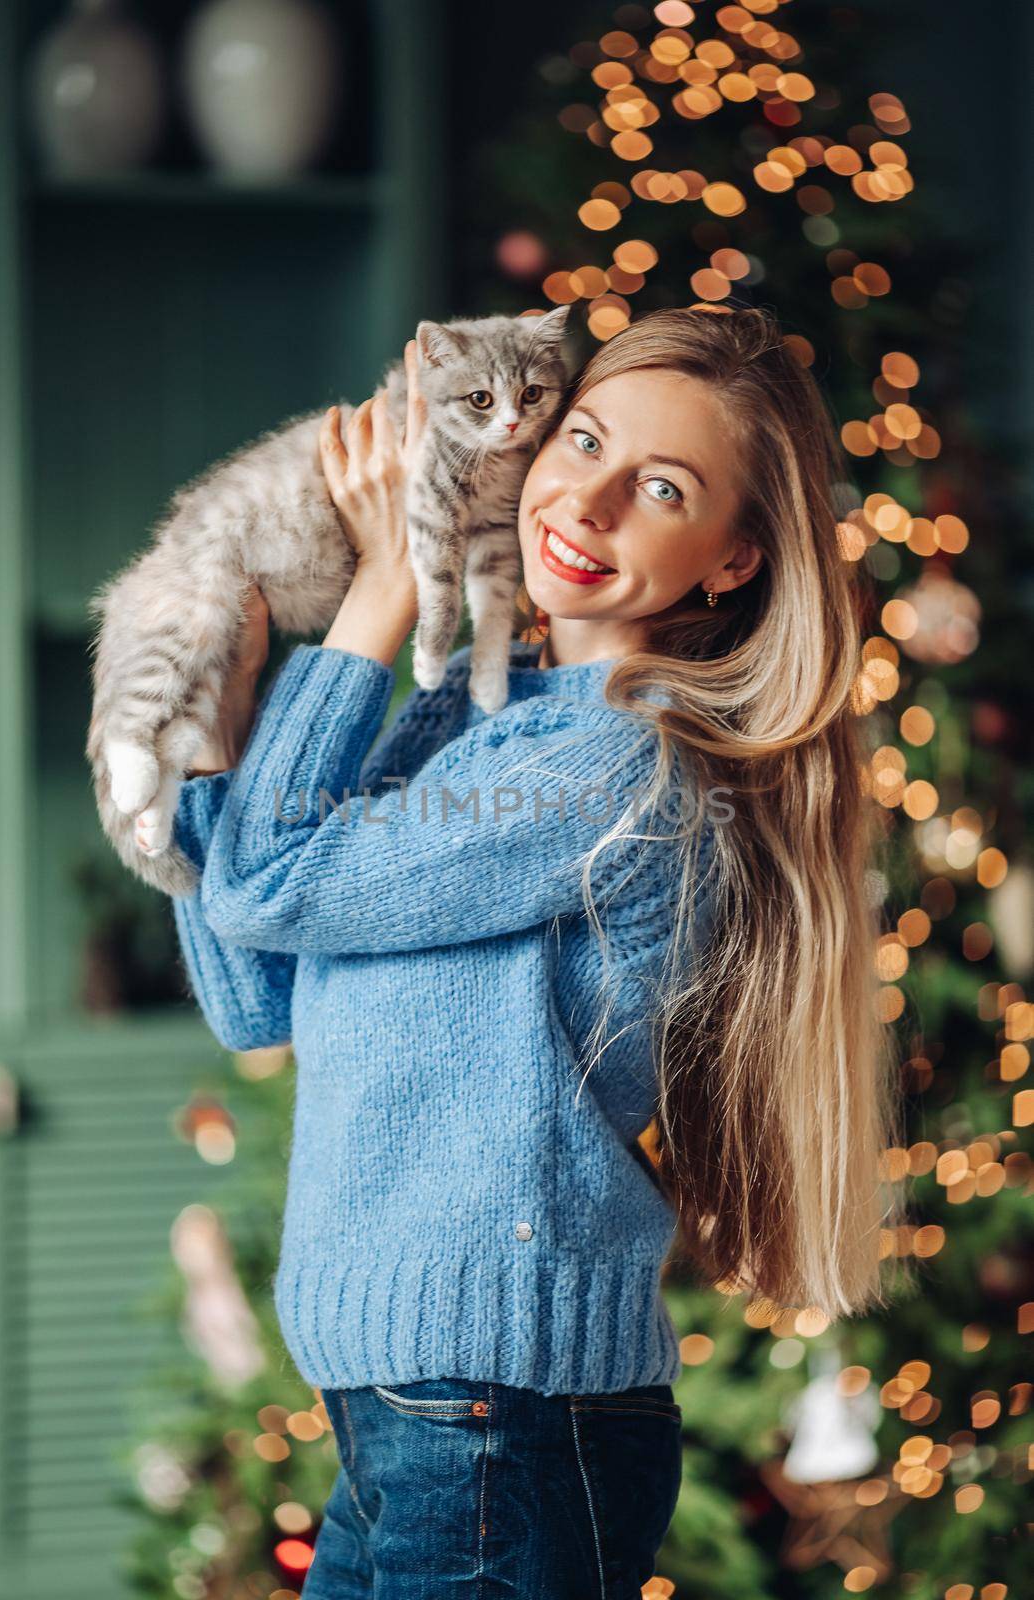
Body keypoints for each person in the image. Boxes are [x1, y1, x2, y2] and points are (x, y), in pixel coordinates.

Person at [150, 306, 899, 1599]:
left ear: (731, 563)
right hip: (413, 1405)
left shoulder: (614, 760)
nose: (590, 502)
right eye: (587, 441)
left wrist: (385, 587)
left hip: (500, 1415)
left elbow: (268, 892)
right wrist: (212, 735)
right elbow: (252, 992)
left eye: (661, 488)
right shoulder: (478, 712)